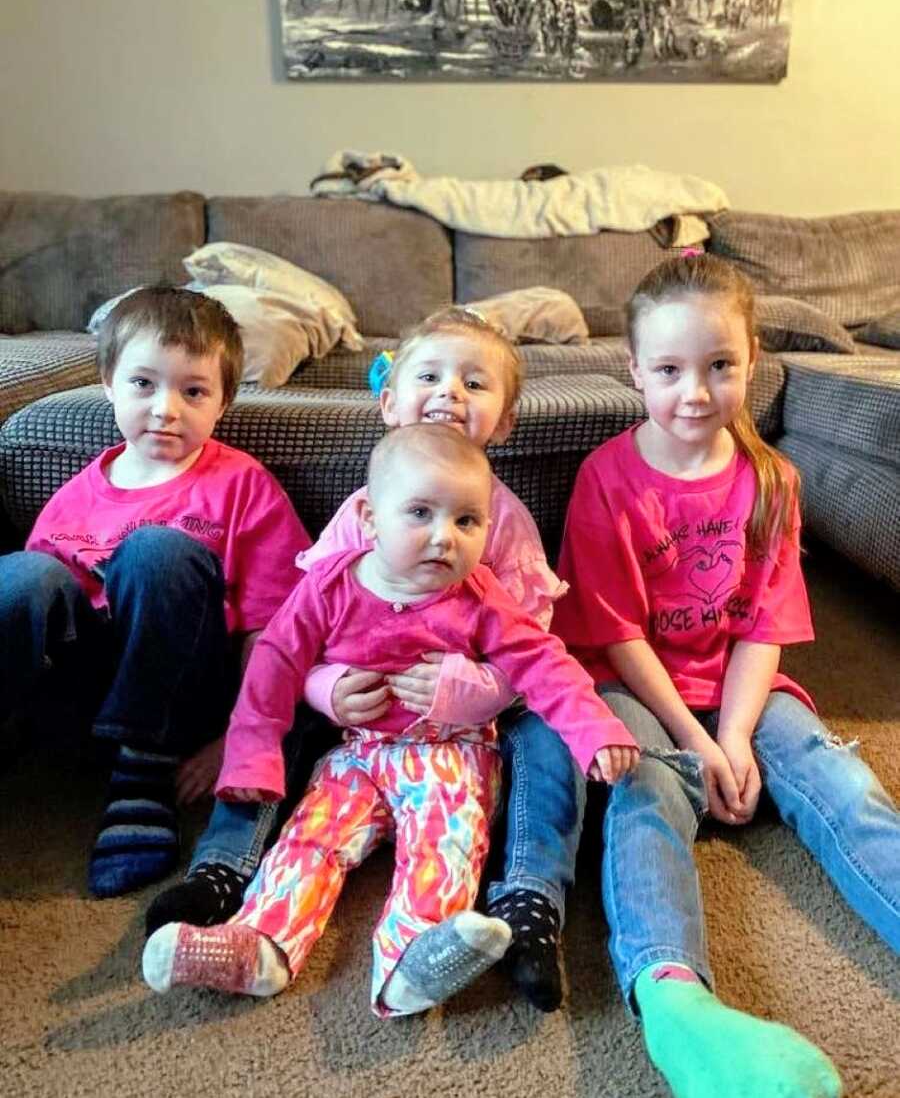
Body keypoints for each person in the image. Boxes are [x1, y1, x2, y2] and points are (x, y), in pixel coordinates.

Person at [149, 307, 590, 1011]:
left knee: (450, 835)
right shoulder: (360, 512)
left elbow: (530, 647)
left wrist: (472, 688)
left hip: (457, 732)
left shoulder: (501, 522)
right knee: (309, 825)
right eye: (431, 375)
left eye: (475, 382)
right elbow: (301, 628)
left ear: (504, 421)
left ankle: (431, 945)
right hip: (359, 732)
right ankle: (247, 921)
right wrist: (323, 688)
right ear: (388, 401)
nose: (450, 392)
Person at [553, 253, 899, 1098]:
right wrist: (698, 742)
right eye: (669, 370)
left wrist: (737, 734)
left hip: (738, 684)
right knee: (647, 793)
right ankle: (676, 999)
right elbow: (618, 635)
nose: (695, 393)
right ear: (634, 370)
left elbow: (763, 629)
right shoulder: (606, 480)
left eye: (720, 367)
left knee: (838, 777)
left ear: (752, 364)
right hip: (634, 683)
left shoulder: (774, 480)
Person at [0, 287, 309, 898]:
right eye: (144, 384)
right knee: (22, 576)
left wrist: (238, 739)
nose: (166, 409)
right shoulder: (77, 493)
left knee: (155, 550)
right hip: (81, 699)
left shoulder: (242, 485)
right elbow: (37, 606)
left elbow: (276, 633)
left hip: (184, 698)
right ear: (109, 383)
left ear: (222, 402)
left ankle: (142, 772)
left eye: (193, 391)